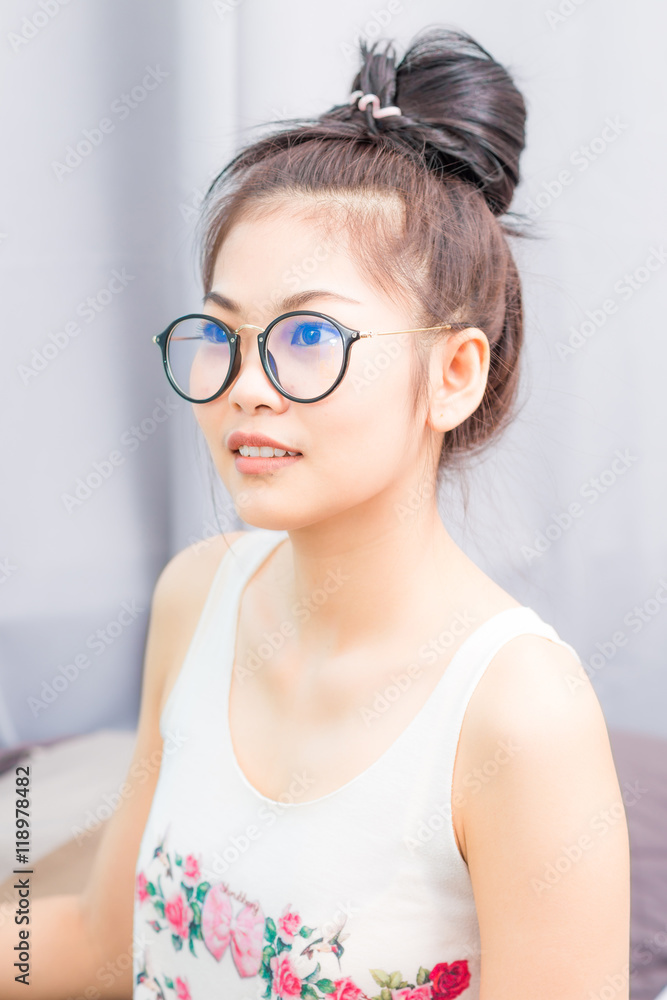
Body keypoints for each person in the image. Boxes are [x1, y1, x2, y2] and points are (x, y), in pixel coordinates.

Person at [0, 25, 630, 1000]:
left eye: (305, 336)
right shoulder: (197, 596)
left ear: (453, 373)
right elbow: (101, 939)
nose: (244, 386)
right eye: (221, 334)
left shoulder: (521, 713)